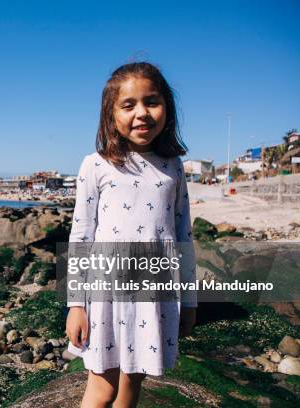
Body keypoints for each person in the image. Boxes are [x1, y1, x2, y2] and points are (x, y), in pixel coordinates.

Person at [65, 62, 197, 408]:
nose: (142, 113)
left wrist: (191, 302)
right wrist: (76, 305)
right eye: (128, 105)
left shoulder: (173, 167)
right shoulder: (95, 165)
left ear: (167, 107)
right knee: (103, 388)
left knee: (132, 384)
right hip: (107, 293)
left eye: (151, 101)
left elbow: (183, 234)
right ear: (111, 115)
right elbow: (82, 235)